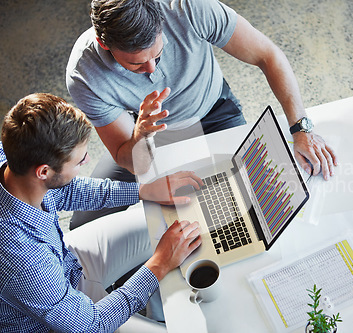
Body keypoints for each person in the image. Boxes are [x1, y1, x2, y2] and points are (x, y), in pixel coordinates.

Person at [66, 0, 337, 229]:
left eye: (158, 55)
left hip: (213, 113)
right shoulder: (84, 75)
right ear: (104, 43)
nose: (151, 71)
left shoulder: (189, 7)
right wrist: (143, 134)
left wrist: (301, 127)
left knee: (249, 210)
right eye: (135, 64)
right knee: (86, 225)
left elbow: (268, 55)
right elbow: (136, 163)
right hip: (147, 132)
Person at [0, 93, 202, 332]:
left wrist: (144, 190)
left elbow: (67, 190)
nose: (87, 161)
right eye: (79, 160)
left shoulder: (14, 158)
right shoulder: (22, 257)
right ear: (43, 171)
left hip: (66, 262)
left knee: (168, 217)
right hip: (65, 319)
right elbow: (91, 324)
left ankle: (156, 307)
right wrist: (158, 265)